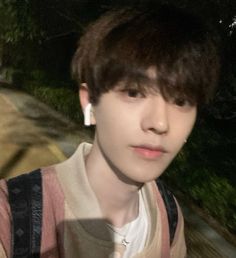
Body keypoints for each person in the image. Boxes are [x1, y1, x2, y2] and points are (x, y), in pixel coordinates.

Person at [0, 4, 220, 258]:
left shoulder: (169, 215)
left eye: (181, 101)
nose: (160, 123)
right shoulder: (14, 216)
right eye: (134, 92)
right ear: (90, 101)